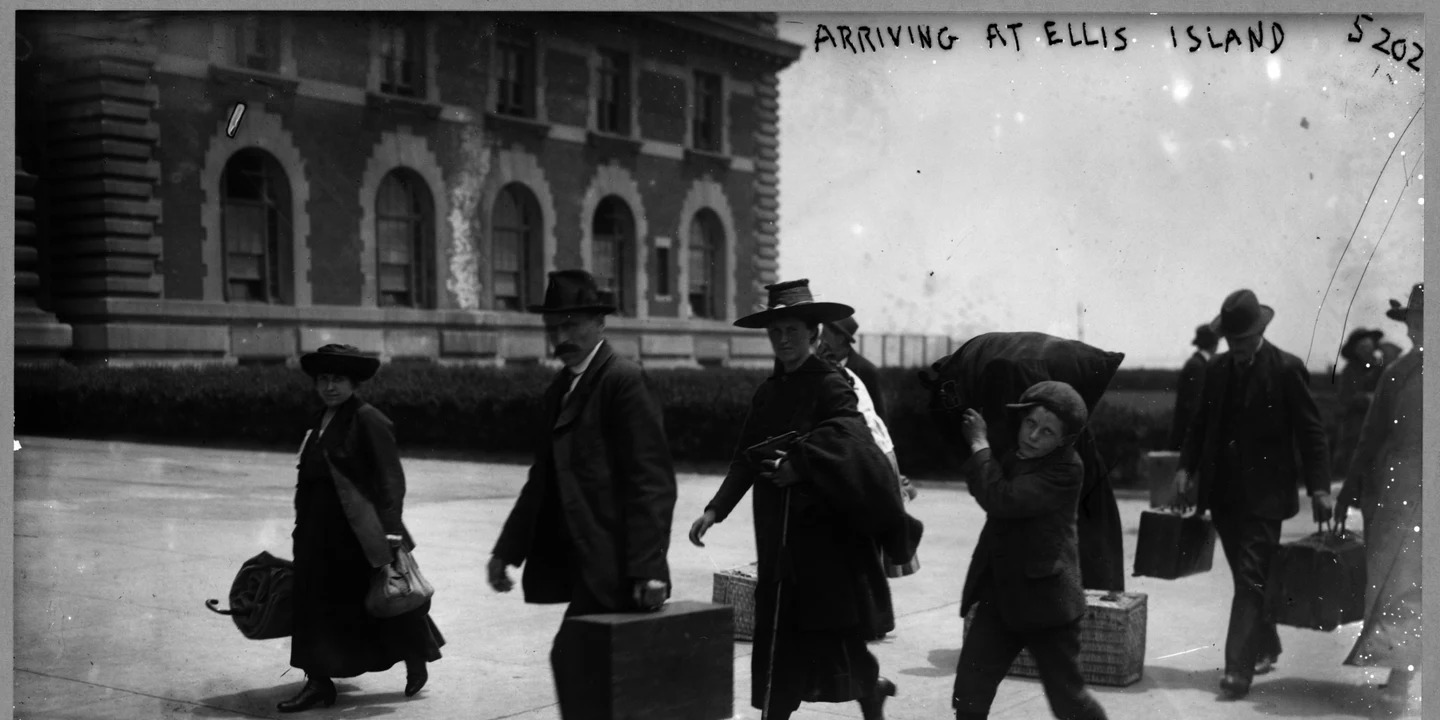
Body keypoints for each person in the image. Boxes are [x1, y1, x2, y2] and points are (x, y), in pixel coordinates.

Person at [688, 279, 921, 720]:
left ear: (814, 333)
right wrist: (714, 509)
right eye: (775, 332)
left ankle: (870, 689)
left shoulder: (833, 385)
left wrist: (804, 463)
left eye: (793, 329)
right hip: (777, 536)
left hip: (826, 542)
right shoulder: (768, 393)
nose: (783, 340)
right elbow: (744, 458)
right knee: (778, 636)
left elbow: (854, 444)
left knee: (833, 637)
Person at [487, 270, 678, 715]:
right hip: (585, 562)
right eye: (553, 327)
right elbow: (542, 480)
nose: (561, 336)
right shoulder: (560, 389)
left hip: (619, 563)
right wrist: (506, 551)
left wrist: (649, 570)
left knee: (580, 661)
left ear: (599, 323)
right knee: (591, 670)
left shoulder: (623, 380)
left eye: (571, 324)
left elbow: (652, 483)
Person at [1173, 289, 1334, 700]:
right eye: (1231, 341)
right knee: (1249, 578)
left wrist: (1319, 487)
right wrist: (1184, 469)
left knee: (1249, 579)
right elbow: (1200, 424)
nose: (1237, 349)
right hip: (1222, 496)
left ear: (1259, 333)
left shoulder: (1286, 369)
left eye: (1243, 341)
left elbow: (1311, 433)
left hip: (1266, 497)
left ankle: (1236, 671)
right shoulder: (1218, 369)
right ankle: (1267, 642)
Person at [281, 344, 445, 712]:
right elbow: (307, 477)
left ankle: (414, 656)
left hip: (361, 535)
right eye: (323, 379)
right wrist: (300, 527)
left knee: (381, 601)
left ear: (354, 383)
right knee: (313, 607)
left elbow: (391, 479)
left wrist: (391, 532)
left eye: (337, 379)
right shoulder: (317, 419)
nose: (329, 386)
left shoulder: (369, 419)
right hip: (316, 533)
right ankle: (318, 684)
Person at [952, 381, 1110, 720]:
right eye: (1030, 423)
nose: (1034, 436)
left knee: (1069, 700)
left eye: (1048, 431)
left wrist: (980, 444)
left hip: (1047, 603)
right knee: (969, 692)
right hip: (1001, 593)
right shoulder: (1013, 454)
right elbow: (985, 481)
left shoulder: (1067, 468)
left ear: (1064, 440)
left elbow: (1001, 498)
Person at [1336, 283, 1423, 718]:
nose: (1420, 328)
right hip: (1401, 491)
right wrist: (1348, 491)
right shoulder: (1397, 373)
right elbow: (1369, 439)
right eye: (1416, 319)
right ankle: (1403, 675)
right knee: (1400, 583)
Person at [823, 316, 919, 502]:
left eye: (825, 335)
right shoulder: (823, 366)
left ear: (840, 338)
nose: (821, 341)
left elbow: (878, 416)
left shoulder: (865, 370)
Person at [1331, 327, 1387, 478]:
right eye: (1361, 347)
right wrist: (1366, 398)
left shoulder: (1383, 367)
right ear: (1355, 351)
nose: (1365, 350)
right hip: (1357, 424)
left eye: (1368, 345)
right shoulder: (1350, 371)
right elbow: (1345, 397)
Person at [1169, 324, 1219, 450]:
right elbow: (1195, 406)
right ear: (1214, 343)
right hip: (1188, 441)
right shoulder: (1197, 366)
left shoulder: (1197, 363)